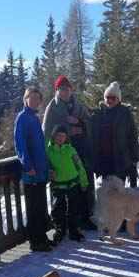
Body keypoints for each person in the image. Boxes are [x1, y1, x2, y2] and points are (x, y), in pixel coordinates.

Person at [43, 75, 96, 229]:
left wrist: (80, 124)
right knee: (68, 191)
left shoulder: (78, 105)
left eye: (67, 89)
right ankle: (66, 223)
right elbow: (47, 133)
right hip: (63, 157)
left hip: (81, 153)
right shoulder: (52, 108)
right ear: (56, 91)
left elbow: (89, 123)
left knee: (84, 184)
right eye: (61, 89)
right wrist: (67, 131)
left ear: (71, 90)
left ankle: (86, 218)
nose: (64, 92)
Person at [14, 87, 53, 252]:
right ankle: (35, 241)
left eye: (38, 98)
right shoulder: (22, 118)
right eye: (32, 98)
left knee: (41, 205)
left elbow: (40, 146)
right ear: (26, 99)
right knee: (33, 207)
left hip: (40, 170)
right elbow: (20, 145)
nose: (36, 101)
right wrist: (28, 166)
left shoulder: (35, 118)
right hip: (31, 172)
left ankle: (42, 237)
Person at [46, 124, 89, 243]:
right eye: (59, 136)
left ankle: (74, 231)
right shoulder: (49, 152)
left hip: (73, 183)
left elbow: (80, 166)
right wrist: (50, 173)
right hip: (58, 185)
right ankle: (60, 231)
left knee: (74, 208)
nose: (61, 138)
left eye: (63, 136)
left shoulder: (71, 150)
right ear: (54, 137)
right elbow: (47, 167)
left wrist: (83, 182)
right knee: (58, 209)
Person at [92, 81, 139, 182]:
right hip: (103, 159)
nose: (110, 100)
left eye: (113, 98)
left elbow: (132, 135)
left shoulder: (125, 113)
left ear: (118, 99)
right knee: (105, 190)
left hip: (119, 158)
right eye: (107, 97)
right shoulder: (97, 114)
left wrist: (135, 156)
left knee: (119, 190)